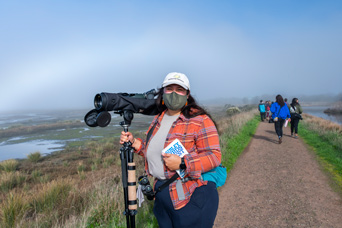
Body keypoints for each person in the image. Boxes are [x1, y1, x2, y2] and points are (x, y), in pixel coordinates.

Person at [120, 72, 221, 228]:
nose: (174, 93)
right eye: (169, 89)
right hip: (163, 194)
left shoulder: (200, 120)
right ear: (162, 93)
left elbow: (214, 157)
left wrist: (182, 163)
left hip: (191, 194)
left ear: (187, 95)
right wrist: (135, 143)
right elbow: (154, 151)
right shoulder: (159, 118)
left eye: (179, 90)